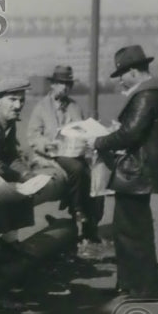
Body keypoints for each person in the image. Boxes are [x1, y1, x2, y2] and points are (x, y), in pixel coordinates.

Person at [90, 45, 158, 299]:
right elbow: (139, 130)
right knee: (130, 229)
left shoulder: (145, 95)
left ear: (133, 71)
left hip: (135, 173)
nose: (121, 81)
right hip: (145, 172)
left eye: (122, 75)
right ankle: (130, 283)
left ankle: (143, 288)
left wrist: (97, 142)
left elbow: (130, 134)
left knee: (131, 232)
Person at [26, 65, 103, 248]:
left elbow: (82, 129)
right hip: (52, 154)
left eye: (68, 84)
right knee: (76, 169)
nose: (65, 88)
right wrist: (46, 144)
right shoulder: (41, 107)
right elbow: (33, 135)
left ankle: (90, 226)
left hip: (74, 151)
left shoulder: (75, 106)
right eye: (61, 84)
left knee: (95, 177)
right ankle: (77, 210)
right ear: (53, 85)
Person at [0, 79, 35, 182]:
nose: (18, 106)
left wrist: (27, 174)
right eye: (12, 99)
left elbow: (11, 156)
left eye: (22, 100)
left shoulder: (9, 121)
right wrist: (18, 177)